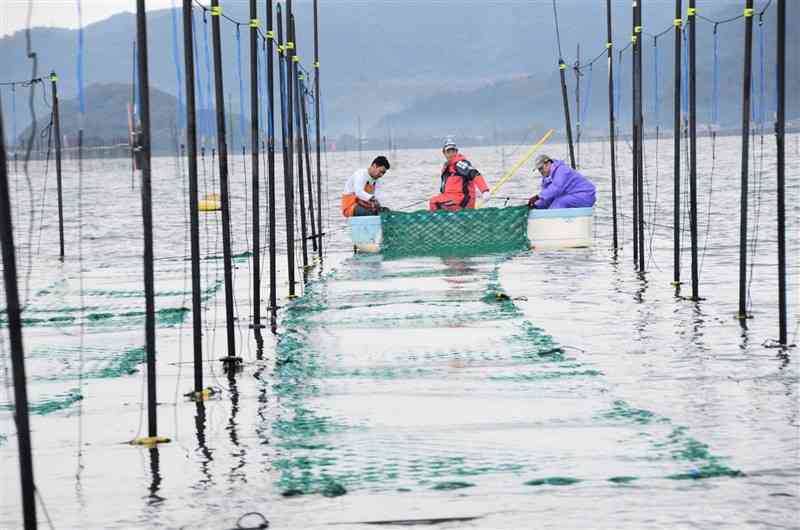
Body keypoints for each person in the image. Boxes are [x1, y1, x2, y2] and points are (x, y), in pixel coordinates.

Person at [429, 137, 490, 212]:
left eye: (453, 151)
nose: (451, 154)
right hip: (451, 198)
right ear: (444, 153)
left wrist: (484, 191)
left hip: (462, 201)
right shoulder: (447, 168)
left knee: (434, 202)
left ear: (457, 152)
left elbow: (474, 173)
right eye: (448, 152)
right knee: (434, 201)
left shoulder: (460, 163)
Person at [527, 154, 596, 209]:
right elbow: (548, 197)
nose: (540, 171)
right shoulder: (547, 178)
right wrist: (536, 205)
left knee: (559, 202)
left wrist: (537, 197)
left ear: (548, 163)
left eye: (541, 168)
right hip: (571, 196)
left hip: (586, 195)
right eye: (539, 170)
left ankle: (551, 224)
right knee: (555, 201)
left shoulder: (562, 170)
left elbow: (556, 188)